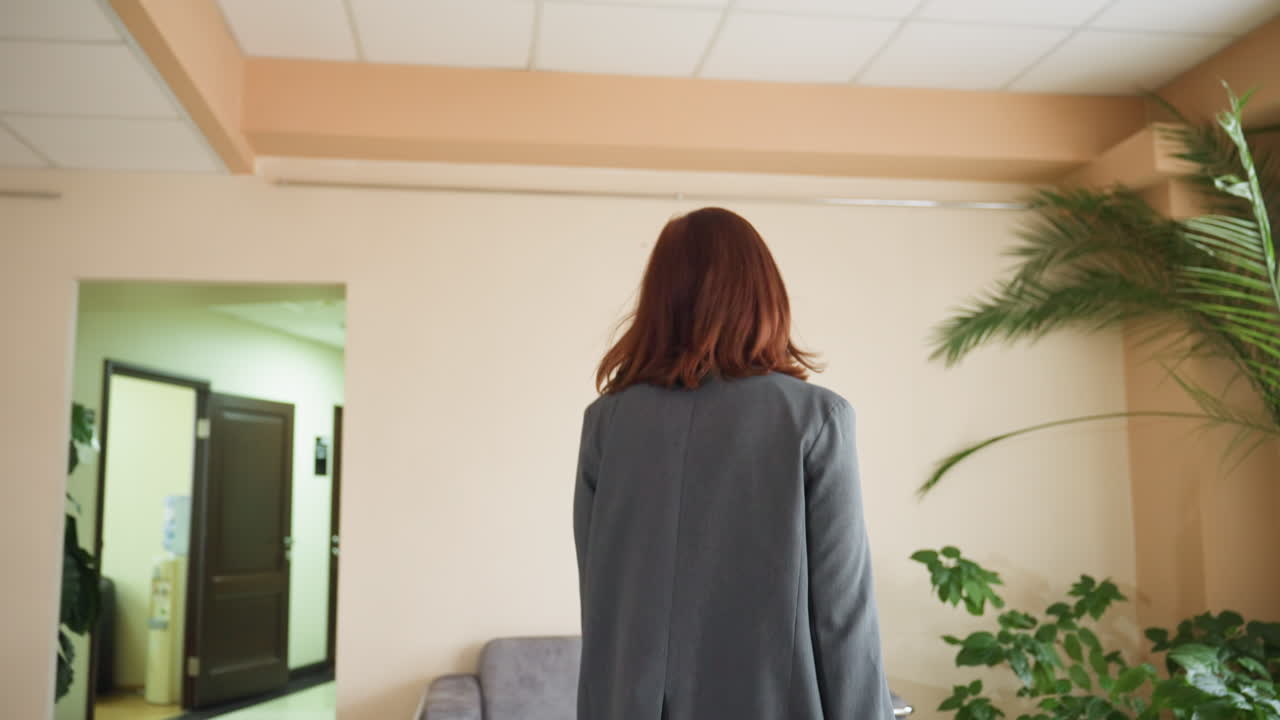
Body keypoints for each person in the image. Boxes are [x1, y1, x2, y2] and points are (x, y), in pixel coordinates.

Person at [573, 207, 894, 720]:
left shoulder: (608, 423)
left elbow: (603, 608)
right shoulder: (814, 418)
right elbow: (842, 613)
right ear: (764, 295)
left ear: (661, 300)